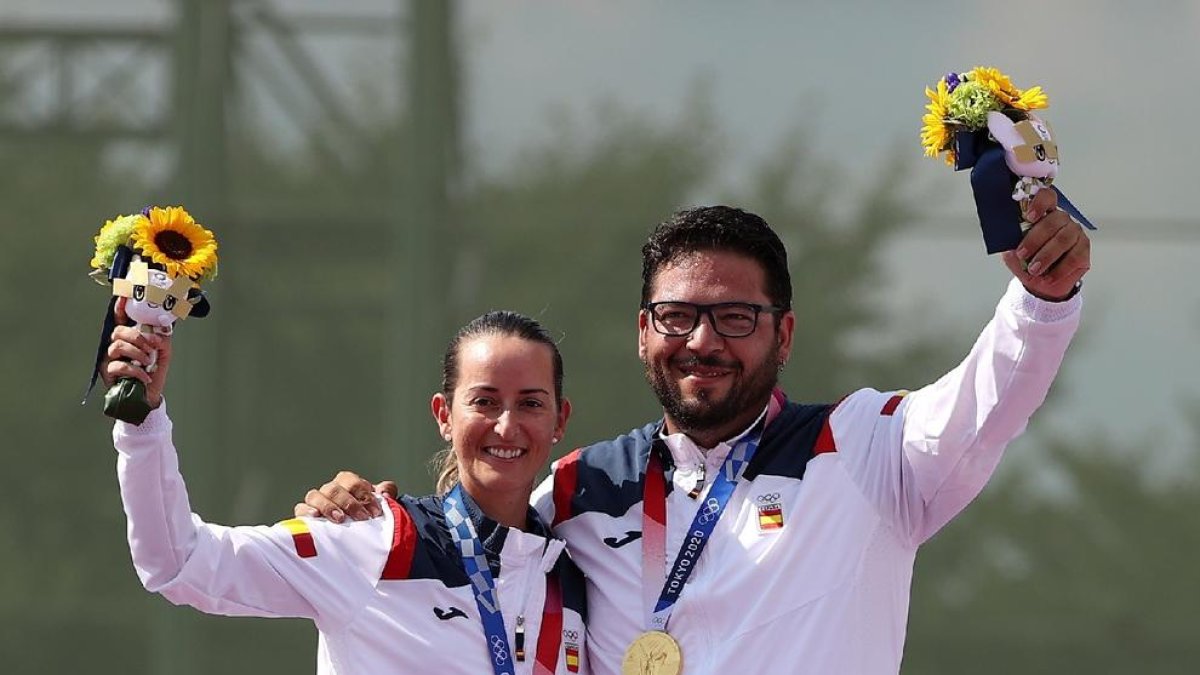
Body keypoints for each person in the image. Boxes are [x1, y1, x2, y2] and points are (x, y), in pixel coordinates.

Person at [300, 188, 1089, 674]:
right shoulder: (581, 485)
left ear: (783, 336)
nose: (703, 341)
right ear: (643, 333)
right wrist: (364, 513)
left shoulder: (863, 450)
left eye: (735, 317)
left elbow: (992, 397)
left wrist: (1042, 302)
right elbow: (477, 542)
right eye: (678, 316)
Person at [107, 309, 589, 674]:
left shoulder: (575, 571)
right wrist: (143, 423)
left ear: (559, 422)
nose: (506, 426)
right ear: (444, 416)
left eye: (530, 403)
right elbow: (178, 562)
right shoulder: (373, 539)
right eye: (484, 401)